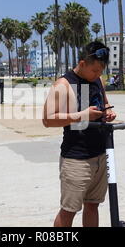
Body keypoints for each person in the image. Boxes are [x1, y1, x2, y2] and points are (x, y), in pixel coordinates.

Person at [43, 41, 117, 227]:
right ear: (82, 63)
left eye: (101, 71)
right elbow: (47, 119)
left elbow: (104, 103)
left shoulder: (98, 80)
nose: (98, 75)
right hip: (76, 158)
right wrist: (82, 116)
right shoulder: (64, 84)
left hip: (100, 154)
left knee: (93, 205)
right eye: (95, 70)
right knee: (69, 210)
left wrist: (107, 112)